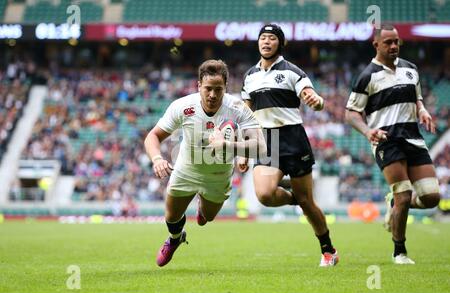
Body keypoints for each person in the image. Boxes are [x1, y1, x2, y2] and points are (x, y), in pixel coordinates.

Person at [145, 59, 266, 267]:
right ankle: (175, 239)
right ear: (199, 85)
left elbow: (261, 147)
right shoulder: (183, 106)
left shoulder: (237, 107)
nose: (212, 95)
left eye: (218, 89)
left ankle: (203, 207)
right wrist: (157, 159)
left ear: (225, 87)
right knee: (172, 217)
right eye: (208, 88)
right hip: (187, 168)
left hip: (218, 174)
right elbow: (152, 137)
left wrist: (228, 144)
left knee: (208, 218)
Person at [240, 24, 339, 267]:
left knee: (308, 204)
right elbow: (246, 115)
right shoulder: (250, 75)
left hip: (293, 139)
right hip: (266, 141)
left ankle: (328, 250)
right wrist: (242, 150)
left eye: (271, 38)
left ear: (280, 43)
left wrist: (316, 101)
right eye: (263, 38)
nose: (266, 42)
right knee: (264, 194)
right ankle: (297, 197)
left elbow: (313, 99)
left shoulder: (293, 72)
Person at [345, 25, 440, 264]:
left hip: (413, 137)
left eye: (397, 41)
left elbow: (416, 97)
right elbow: (351, 113)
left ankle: (394, 204)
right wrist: (368, 132)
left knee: (431, 197)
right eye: (388, 42)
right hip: (387, 140)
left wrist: (423, 110)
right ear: (376, 44)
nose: (394, 46)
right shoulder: (367, 76)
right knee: (404, 195)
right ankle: (400, 251)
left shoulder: (410, 69)